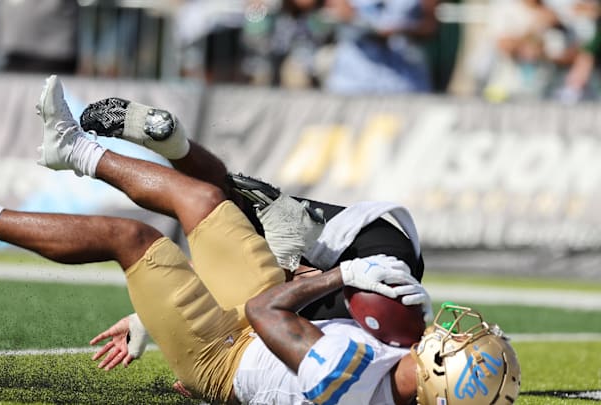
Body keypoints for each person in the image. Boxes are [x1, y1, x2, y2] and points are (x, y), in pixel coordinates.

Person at [0, 75, 521, 404]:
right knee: (203, 202)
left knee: (130, 238)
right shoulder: (397, 379)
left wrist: (343, 276)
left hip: (223, 355)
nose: (457, 330)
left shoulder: (354, 378)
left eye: (460, 344)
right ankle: (75, 148)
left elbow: (264, 312)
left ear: (438, 372)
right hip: (259, 327)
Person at [79, 94, 425, 322]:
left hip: (385, 242)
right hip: (362, 282)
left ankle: (175, 145)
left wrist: (145, 321)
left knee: (229, 203)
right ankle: (83, 155)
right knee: (256, 308)